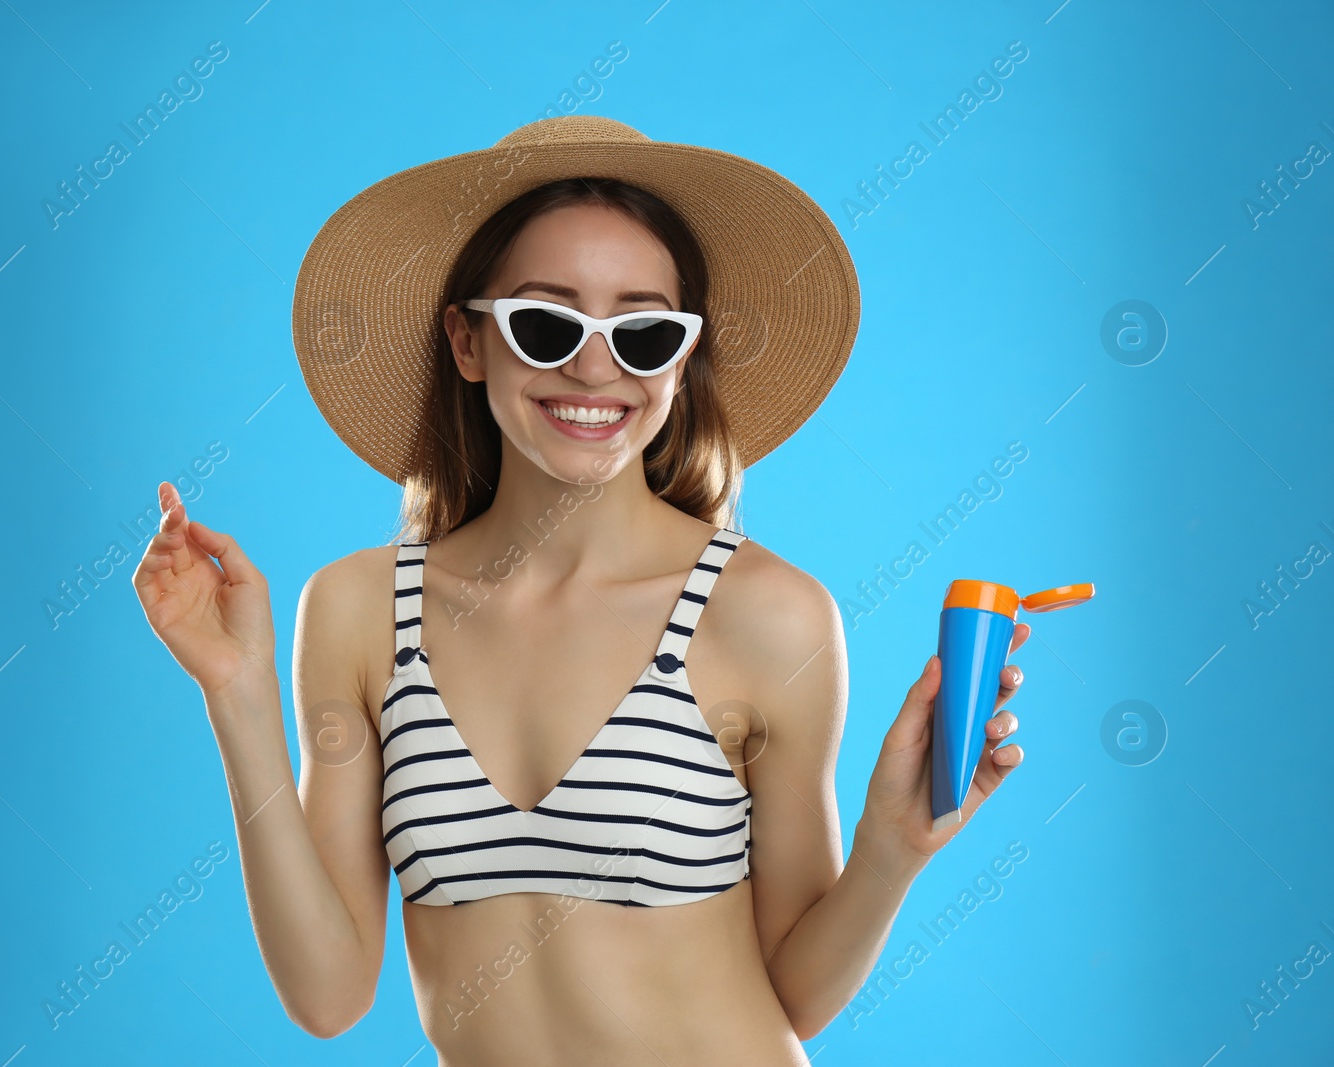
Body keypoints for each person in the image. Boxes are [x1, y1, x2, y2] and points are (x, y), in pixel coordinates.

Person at [133, 116, 1030, 1065]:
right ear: (468, 341)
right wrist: (235, 691)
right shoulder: (357, 610)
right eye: (548, 322)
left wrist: (893, 845)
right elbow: (329, 995)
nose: (595, 367)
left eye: (642, 332)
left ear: (680, 362)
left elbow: (795, 997)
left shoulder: (767, 612)